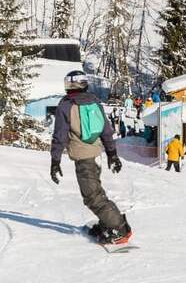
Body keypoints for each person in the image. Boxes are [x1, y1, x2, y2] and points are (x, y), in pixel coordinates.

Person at [50, 70, 131, 245]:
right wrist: (112, 154)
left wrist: (55, 161)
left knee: (92, 197)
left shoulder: (66, 105)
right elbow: (106, 130)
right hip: (96, 155)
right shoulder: (94, 101)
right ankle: (108, 223)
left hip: (83, 158)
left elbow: (60, 135)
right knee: (96, 191)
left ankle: (119, 229)